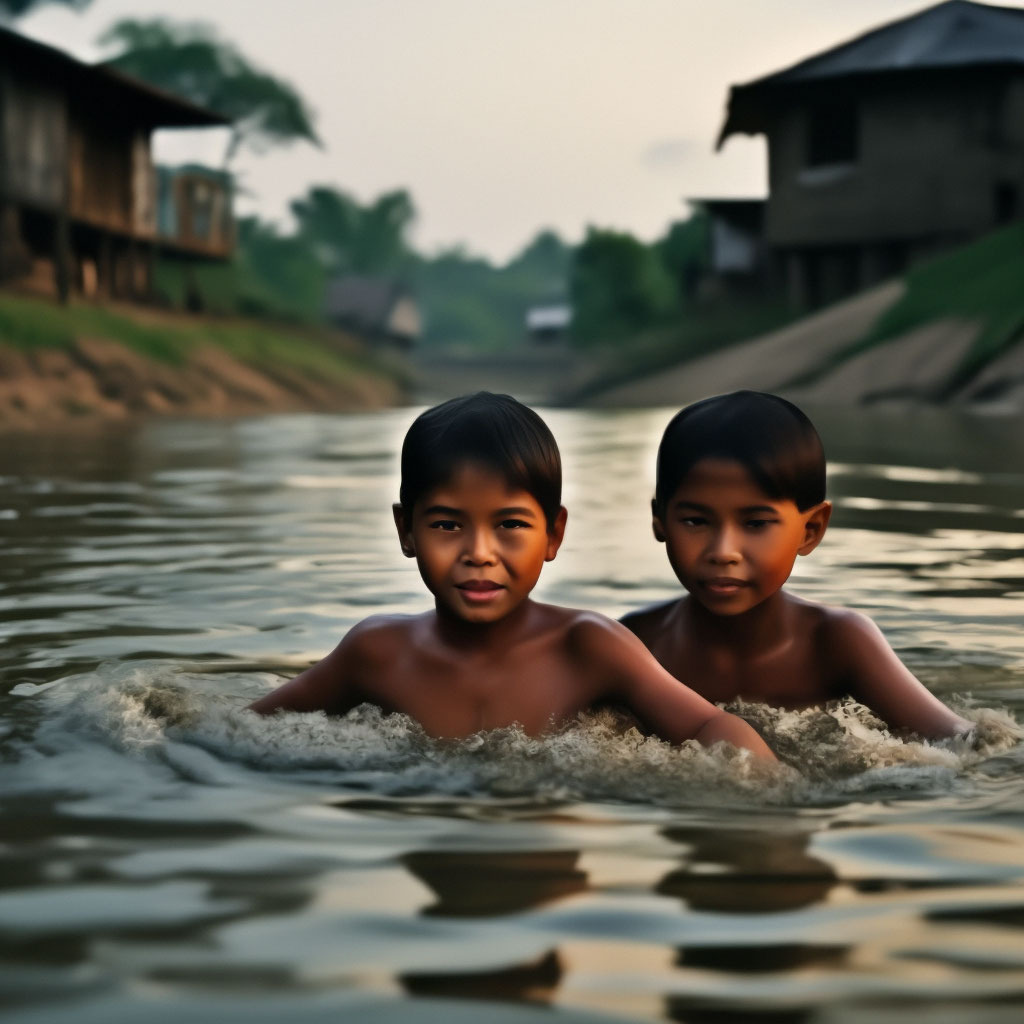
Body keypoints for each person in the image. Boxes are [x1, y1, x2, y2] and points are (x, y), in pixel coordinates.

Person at [250, 392, 776, 762]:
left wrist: (760, 784)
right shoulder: (378, 653)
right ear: (406, 530)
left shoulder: (588, 647)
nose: (479, 553)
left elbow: (707, 723)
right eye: (448, 525)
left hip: (547, 859)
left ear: (552, 534)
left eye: (509, 525)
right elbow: (243, 729)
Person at [621, 390, 973, 739]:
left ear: (810, 529)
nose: (724, 551)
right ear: (660, 521)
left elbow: (964, 744)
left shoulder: (836, 641)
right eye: (696, 521)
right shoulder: (635, 647)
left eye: (756, 523)